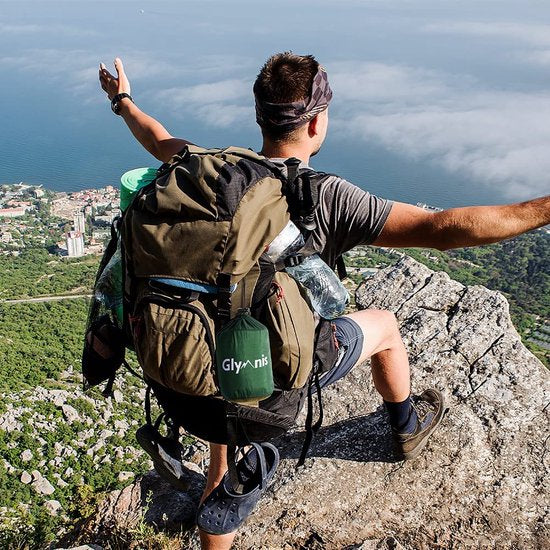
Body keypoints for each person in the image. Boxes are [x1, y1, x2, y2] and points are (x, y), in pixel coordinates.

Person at [99, 53, 550, 550]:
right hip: (271, 388)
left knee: (226, 403)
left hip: (193, 371)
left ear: (260, 116)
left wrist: (122, 100)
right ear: (317, 122)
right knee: (384, 327)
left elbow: (157, 139)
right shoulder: (326, 198)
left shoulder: (207, 173)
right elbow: (442, 229)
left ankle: (218, 499)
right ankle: (405, 427)